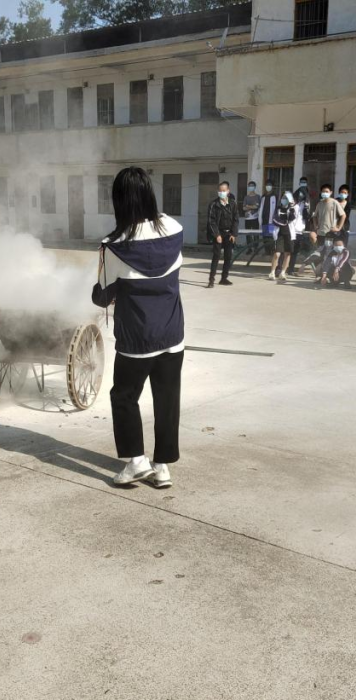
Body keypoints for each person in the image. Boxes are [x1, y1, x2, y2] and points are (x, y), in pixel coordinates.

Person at [93, 167, 184, 488]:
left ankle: (136, 461)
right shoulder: (174, 228)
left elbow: (102, 296)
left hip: (137, 341)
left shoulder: (115, 245)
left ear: (119, 200)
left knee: (124, 396)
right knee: (167, 399)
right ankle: (162, 468)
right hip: (173, 336)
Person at [310, 183, 347, 278]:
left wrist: (338, 227)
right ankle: (320, 275)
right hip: (321, 233)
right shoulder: (320, 203)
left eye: (327, 191)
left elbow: (343, 215)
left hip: (331, 235)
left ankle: (330, 276)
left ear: (331, 192)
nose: (325, 193)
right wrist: (315, 225)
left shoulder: (334, 203)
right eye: (323, 191)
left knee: (329, 255)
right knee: (321, 255)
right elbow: (314, 216)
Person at [206, 180, 238, 288]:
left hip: (229, 234)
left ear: (228, 191)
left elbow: (236, 220)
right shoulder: (213, 204)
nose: (221, 192)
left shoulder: (233, 204)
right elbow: (211, 221)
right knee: (216, 256)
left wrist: (234, 234)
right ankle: (211, 280)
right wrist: (216, 235)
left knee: (228, 257)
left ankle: (224, 278)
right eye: (220, 191)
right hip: (218, 234)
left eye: (223, 190)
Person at [269, 191, 298, 282]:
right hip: (279, 234)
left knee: (287, 253)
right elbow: (274, 219)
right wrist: (283, 222)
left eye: (286, 198)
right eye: (283, 198)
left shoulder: (292, 209)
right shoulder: (278, 208)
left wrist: (292, 207)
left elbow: (293, 218)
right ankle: (272, 272)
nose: (284, 200)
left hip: (289, 234)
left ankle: (283, 272)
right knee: (277, 253)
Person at [241, 180, 261, 256]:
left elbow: (257, 206)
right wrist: (252, 207)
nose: (251, 187)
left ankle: (256, 248)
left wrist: (248, 206)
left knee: (256, 234)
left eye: (252, 186)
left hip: (255, 218)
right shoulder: (246, 197)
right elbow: (243, 208)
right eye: (249, 186)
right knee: (248, 234)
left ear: (255, 187)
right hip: (247, 219)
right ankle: (249, 248)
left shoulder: (257, 196)